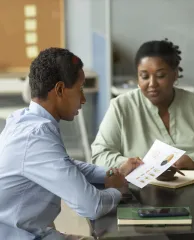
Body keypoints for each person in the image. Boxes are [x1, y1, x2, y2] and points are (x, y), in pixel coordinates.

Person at [0, 48, 142, 240]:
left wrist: (113, 172)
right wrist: (118, 190)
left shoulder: (22, 119)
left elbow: (66, 165)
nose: (83, 99)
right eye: (80, 89)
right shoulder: (36, 136)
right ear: (59, 90)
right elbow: (92, 206)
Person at [91, 39, 194, 170]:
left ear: (175, 75)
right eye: (144, 76)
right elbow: (100, 156)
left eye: (161, 76)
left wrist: (193, 160)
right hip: (142, 193)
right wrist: (134, 164)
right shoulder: (121, 107)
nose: (152, 84)